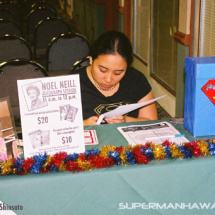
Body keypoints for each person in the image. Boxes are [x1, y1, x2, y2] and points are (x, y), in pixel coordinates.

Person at [73, 31, 157, 126]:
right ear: (91, 60)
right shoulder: (73, 83)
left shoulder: (136, 79)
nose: (108, 79)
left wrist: (125, 120)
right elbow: (58, 128)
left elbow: (152, 121)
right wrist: (84, 124)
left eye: (118, 73)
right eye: (102, 70)